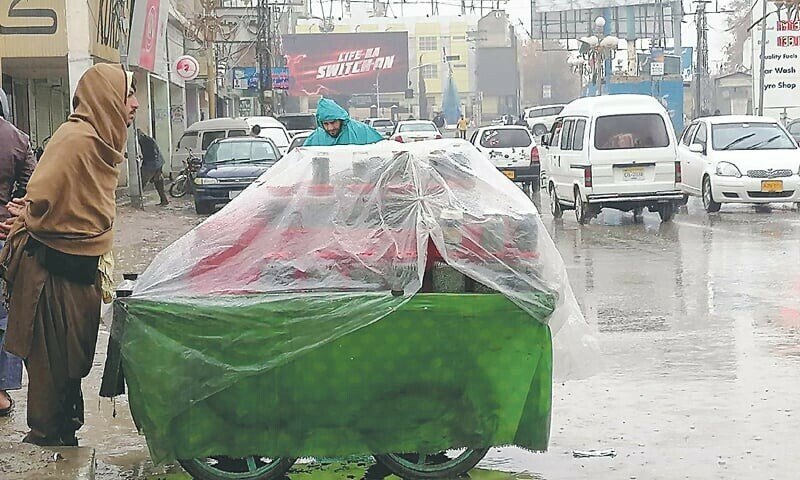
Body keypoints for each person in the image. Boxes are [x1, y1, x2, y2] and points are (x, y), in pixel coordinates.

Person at [0, 64, 139, 446]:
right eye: (128, 95)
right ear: (105, 97)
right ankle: (45, 443)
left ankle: (66, 434)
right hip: (48, 273)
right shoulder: (75, 139)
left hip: (79, 271)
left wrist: (30, 212)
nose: (135, 104)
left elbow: (83, 208)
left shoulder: (103, 141)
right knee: (49, 367)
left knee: (72, 363)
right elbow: (42, 196)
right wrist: (27, 215)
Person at [0, 88, 36, 417]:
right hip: (4, 237)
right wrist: (13, 218)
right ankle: (1, 392)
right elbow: (32, 190)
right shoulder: (19, 139)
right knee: (4, 315)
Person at [304, 98, 384, 146]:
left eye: (333, 122)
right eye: (326, 124)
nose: (330, 128)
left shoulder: (362, 131)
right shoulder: (316, 138)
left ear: (341, 119)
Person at [136, 129, 169, 206]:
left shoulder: (145, 141)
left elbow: (153, 154)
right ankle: (164, 200)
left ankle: (137, 201)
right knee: (158, 182)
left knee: (141, 183)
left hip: (152, 164)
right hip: (157, 163)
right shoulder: (147, 140)